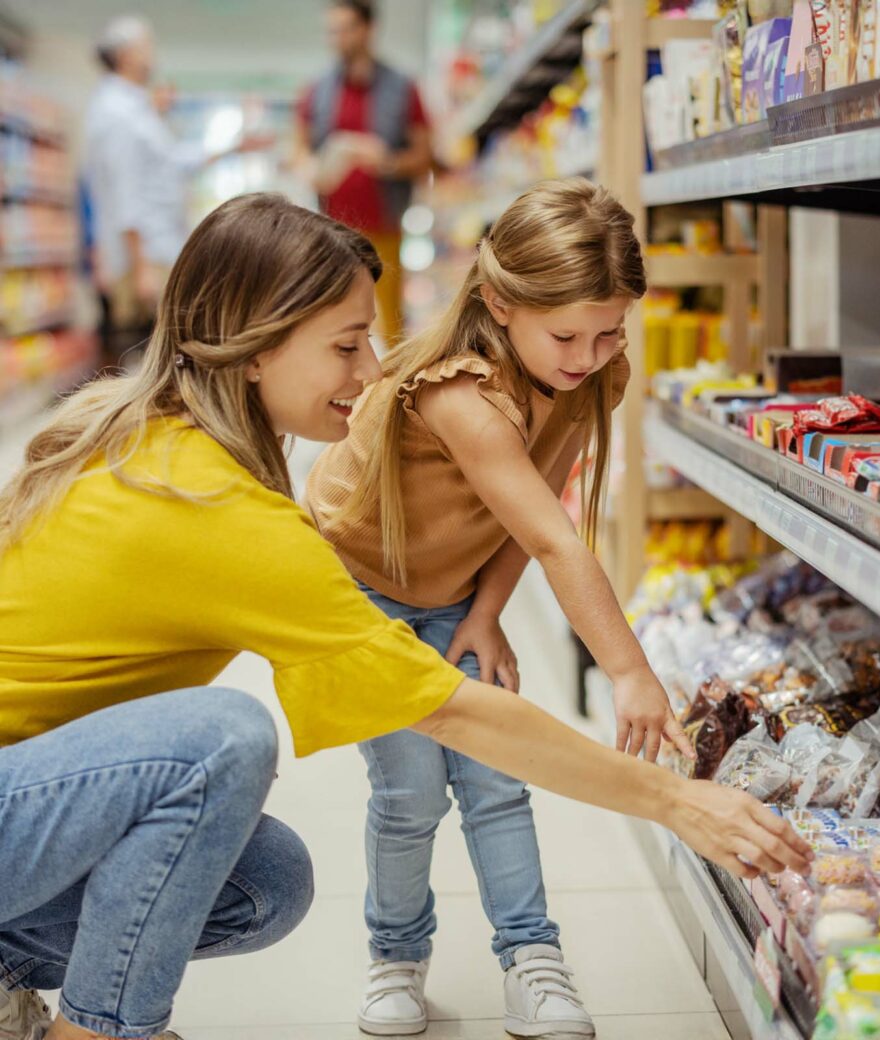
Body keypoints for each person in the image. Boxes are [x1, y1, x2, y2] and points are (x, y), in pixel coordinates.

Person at [0, 193, 810, 1040]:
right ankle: (95, 1031)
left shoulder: (156, 440)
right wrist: (675, 802)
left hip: (25, 797)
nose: (371, 369)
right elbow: (453, 710)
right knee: (223, 740)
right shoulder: (212, 502)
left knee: (267, 882)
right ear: (252, 349)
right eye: (347, 345)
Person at [305, 179, 702, 1038]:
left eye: (610, 332)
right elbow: (561, 539)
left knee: (498, 780)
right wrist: (630, 673)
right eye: (566, 334)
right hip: (359, 592)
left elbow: (532, 510)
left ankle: (532, 957)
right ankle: (397, 957)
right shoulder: (459, 397)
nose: (589, 354)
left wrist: (485, 612)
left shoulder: (590, 375)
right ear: (498, 302)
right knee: (410, 794)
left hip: (453, 586)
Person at [83, 15, 266, 366]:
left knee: (163, 349)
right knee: (150, 352)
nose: (153, 55)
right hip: (145, 252)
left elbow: (173, 163)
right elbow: (126, 191)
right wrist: (140, 266)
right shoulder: (116, 112)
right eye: (146, 46)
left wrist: (234, 147)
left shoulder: (136, 108)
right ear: (124, 55)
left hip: (158, 247)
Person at [295, 0, 433, 347]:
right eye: (332, 31)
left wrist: (385, 161)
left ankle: (392, 395)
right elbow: (297, 149)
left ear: (368, 29)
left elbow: (423, 157)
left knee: (390, 323)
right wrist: (309, 167)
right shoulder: (317, 90)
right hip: (333, 228)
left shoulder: (402, 88)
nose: (338, 38)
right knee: (335, 319)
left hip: (384, 225)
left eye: (346, 28)